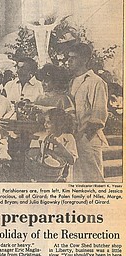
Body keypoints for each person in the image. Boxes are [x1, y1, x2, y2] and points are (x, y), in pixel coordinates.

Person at [67, 43, 108, 182]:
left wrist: (83, 137)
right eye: (68, 58)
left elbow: (99, 116)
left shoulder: (96, 82)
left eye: (73, 58)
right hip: (73, 139)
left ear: (85, 59)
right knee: (76, 180)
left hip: (88, 138)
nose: (69, 61)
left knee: (93, 180)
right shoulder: (71, 81)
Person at [36, 108, 78, 182]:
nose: (45, 125)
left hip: (63, 178)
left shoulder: (68, 137)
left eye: (48, 122)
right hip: (49, 176)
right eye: (45, 122)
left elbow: (71, 160)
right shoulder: (47, 138)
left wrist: (59, 145)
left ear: (58, 124)